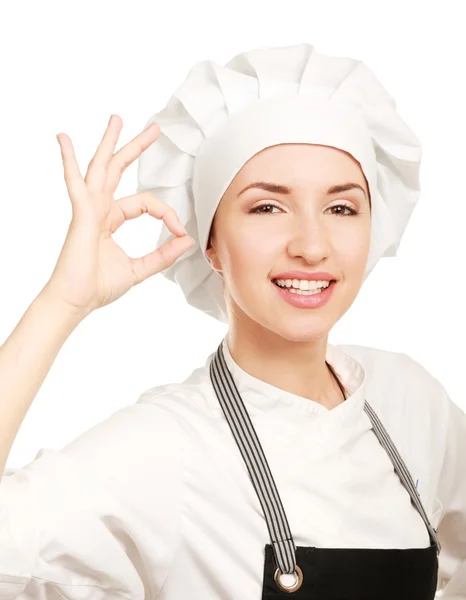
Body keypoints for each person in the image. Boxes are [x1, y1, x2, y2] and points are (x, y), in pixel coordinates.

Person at [0, 43, 464, 599]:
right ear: (211, 245)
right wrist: (62, 302)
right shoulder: (167, 447)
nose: (312, 247)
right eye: (267, 206)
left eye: (341, 208)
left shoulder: (409, 399)